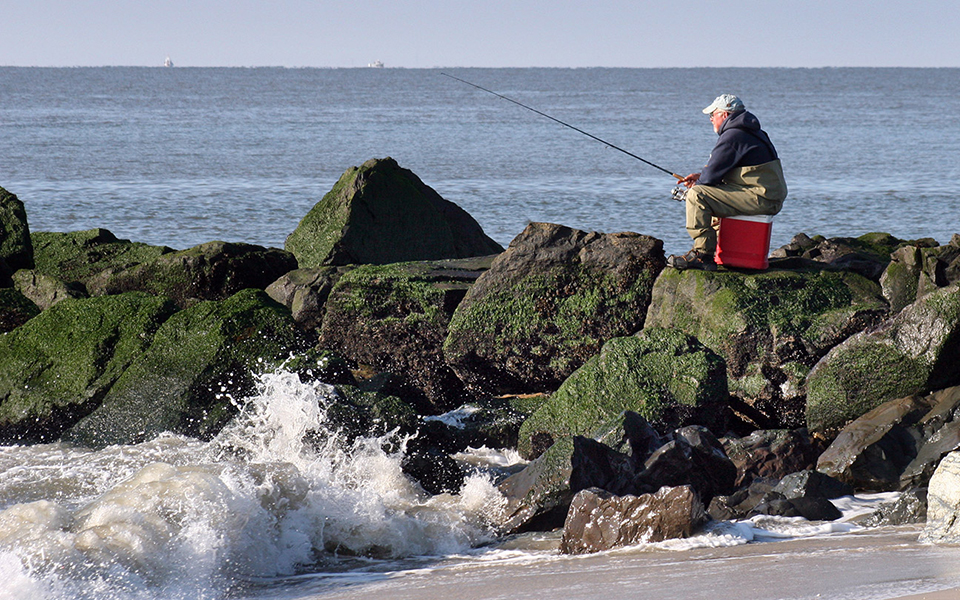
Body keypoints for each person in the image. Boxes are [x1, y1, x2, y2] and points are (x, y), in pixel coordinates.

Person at [667, 94, 788, 271]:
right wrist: (700, 177)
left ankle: (702, 255)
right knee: (708, 191)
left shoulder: (733, 135)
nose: (710, 119)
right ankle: (718, 250)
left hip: (761, 197)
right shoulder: (751, 131)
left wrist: (700, 181)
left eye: (713, 115)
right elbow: (723, 172)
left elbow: (709, 178)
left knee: (697, 195)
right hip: (765, 194)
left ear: (724, 115)